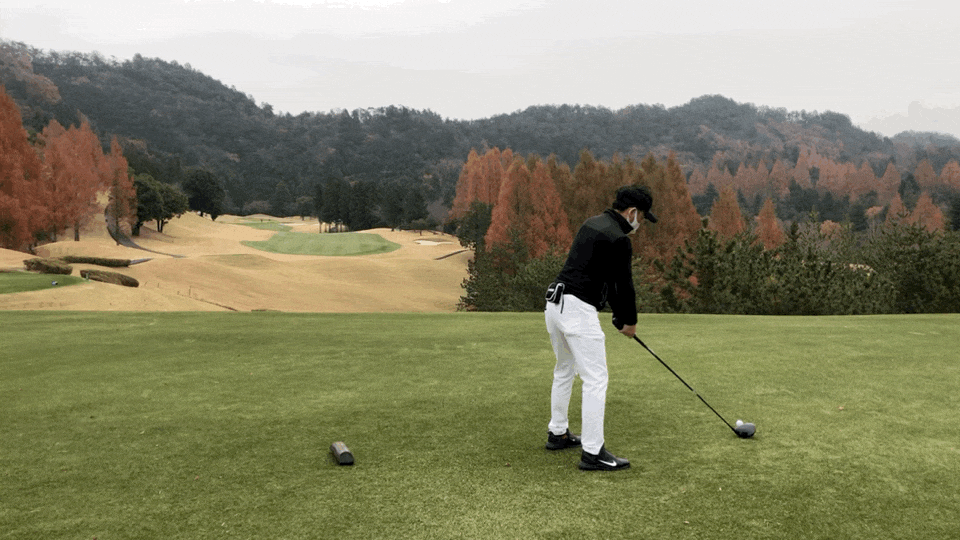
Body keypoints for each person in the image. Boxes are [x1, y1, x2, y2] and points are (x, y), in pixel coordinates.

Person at [543, 185, 657, 471]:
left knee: (564, 369)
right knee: (595, 379)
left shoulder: (592, 223)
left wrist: (619, 315)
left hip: (554, 305)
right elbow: (623, 285)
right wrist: (629, 321)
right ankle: (593, 453)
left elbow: (603, 278)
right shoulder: (619, 238)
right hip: (577, 310)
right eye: (642, 217)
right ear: (632, 212)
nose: (640, 223)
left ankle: (558, 433)